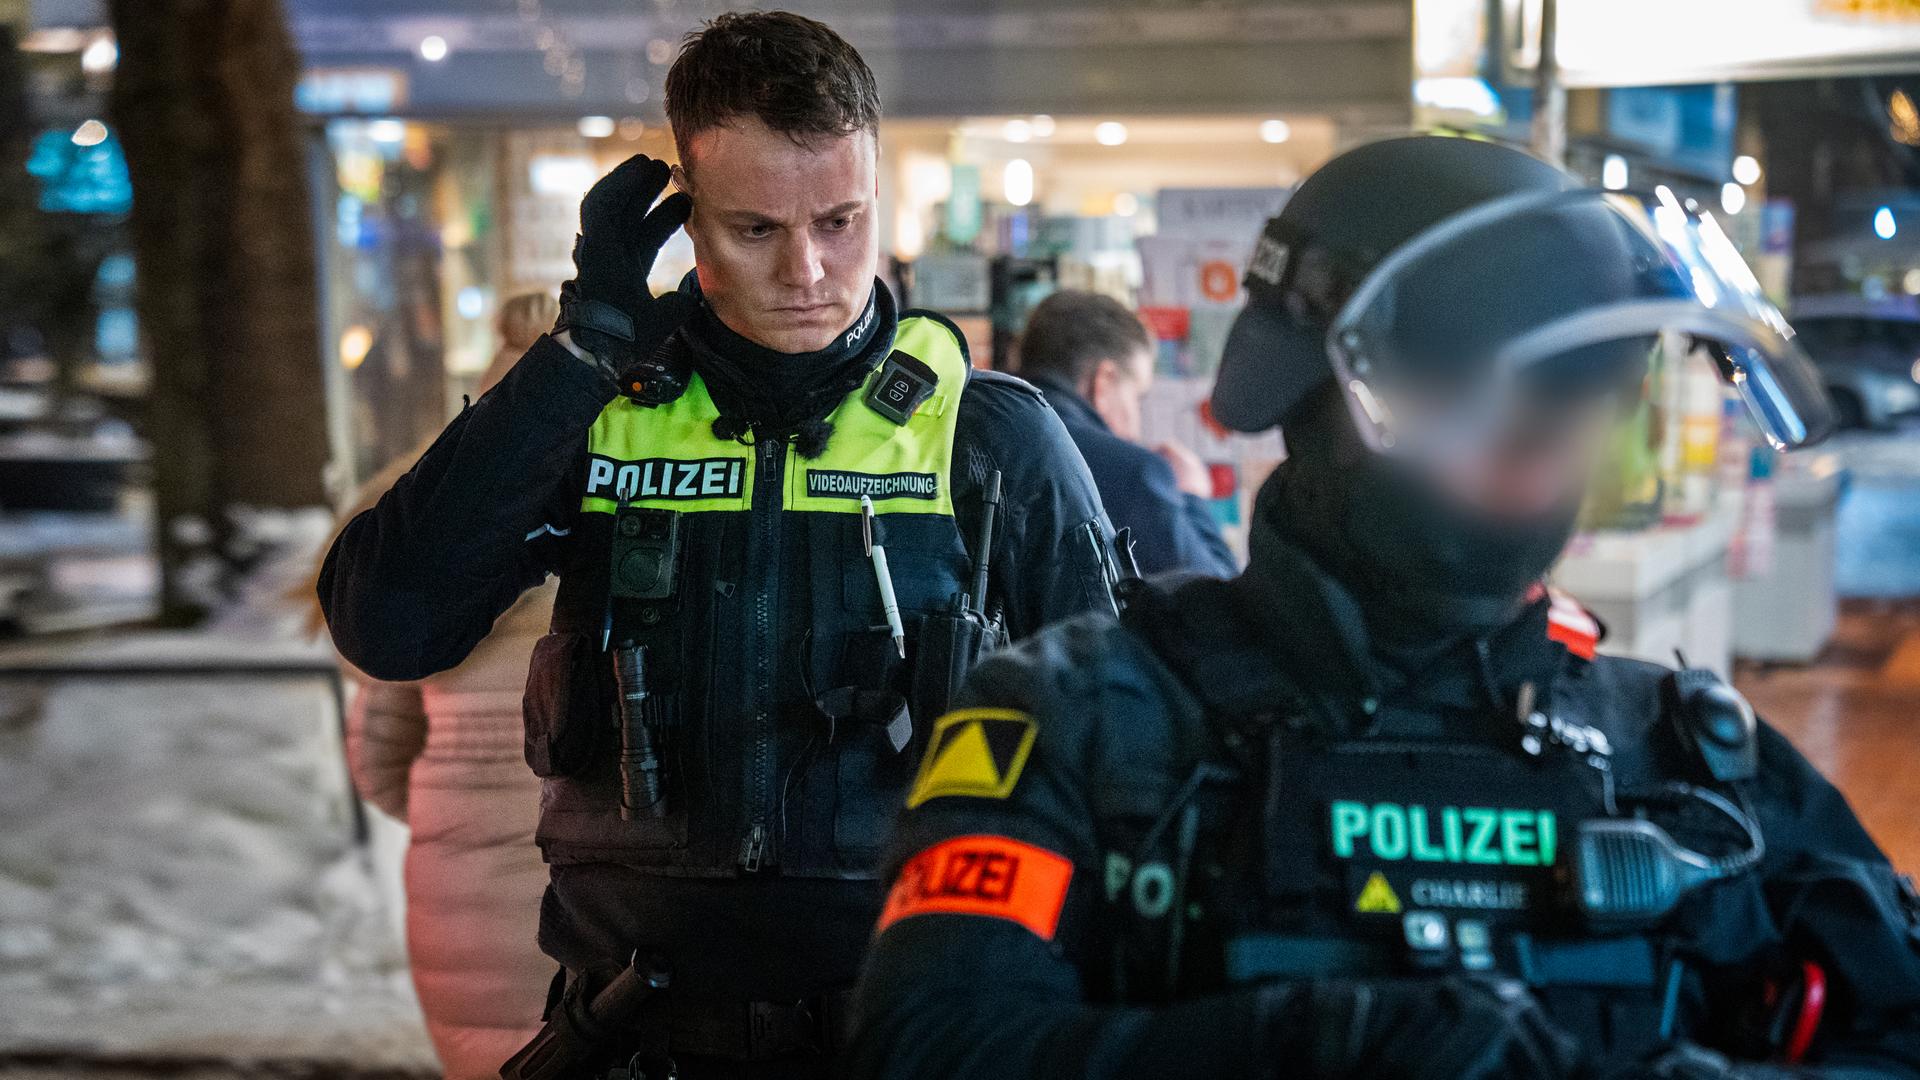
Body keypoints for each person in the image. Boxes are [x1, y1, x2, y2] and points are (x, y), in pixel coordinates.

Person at [845, 136, 1920, 1080]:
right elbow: (933, 1045)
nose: (1529, 454)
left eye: (1574, 404)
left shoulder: (1694, 767)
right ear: (1307, 391)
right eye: (1469, 395)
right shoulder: (1074, 722)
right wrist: (1314, 1043)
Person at [318, 11, 1116, 1079]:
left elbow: (1123, 746)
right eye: (756, 230)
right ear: (687, 224)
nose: (809, 270)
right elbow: (391, 622)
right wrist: (577, 355)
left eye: (843, 220)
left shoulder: (990, 434)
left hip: (906, 1030)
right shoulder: (599, 412)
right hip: (636, 1032)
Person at [323, 291, 563, 1080]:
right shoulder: (637, 537)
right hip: (603, 922)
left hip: (457, 919)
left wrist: (460, 810)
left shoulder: (434, 551)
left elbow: (379, 763)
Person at [1017, 290, 1237, 579]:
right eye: (1137, 397)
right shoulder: (1135, 473)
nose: (1135, 428)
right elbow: (1217, 602)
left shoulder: (975, 424)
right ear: (1104, 381)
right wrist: (1192, 497)